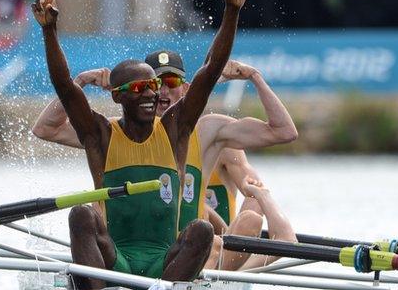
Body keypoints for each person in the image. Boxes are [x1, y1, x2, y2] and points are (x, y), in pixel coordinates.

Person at [31, 0, 249, 288]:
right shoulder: (100, 134)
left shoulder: (175, 129)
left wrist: (231, 10)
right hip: (114, 258)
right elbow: (65, 87)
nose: (150, 94)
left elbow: (210, 71)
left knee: (202, 230)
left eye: (153, 86)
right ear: (118, 97)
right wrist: (49, 30)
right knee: (81, 214)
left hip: (165, 262)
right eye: (137, 88)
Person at [33, 55, 297, 271]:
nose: (161, 91)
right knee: (90, 212)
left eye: (171, 82)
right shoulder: (112, 133)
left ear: (186, 88)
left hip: (188, 256)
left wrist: (255, 77)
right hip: (124, 252)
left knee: (248, 218)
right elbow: (45, 129)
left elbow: (284, 131)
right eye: (153, 83)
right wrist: (80, 82)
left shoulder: (209, 131)